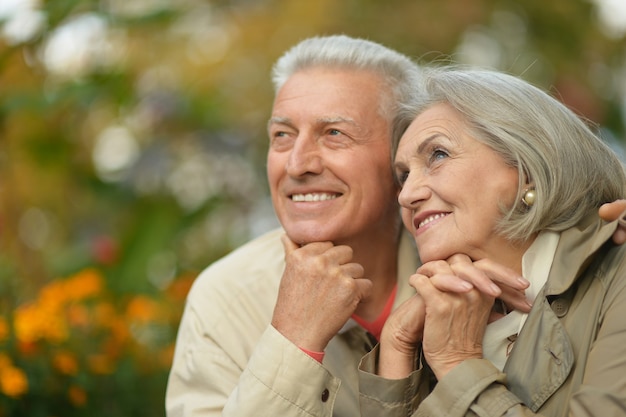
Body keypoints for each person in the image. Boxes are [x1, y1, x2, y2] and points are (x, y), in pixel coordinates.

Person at [165, 35, 626, 417]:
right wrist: (294, 344)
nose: (297, 163)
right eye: (281, 135)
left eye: (334, 134)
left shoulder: (474, 256)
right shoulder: (224, 296)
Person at [358, 66, 626, 416]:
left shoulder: (616, 276)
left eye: (437, 155)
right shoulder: (426, 325)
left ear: (527, 166)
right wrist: (396, 351)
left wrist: (458, 364)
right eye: (403, 176)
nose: (406, 194)